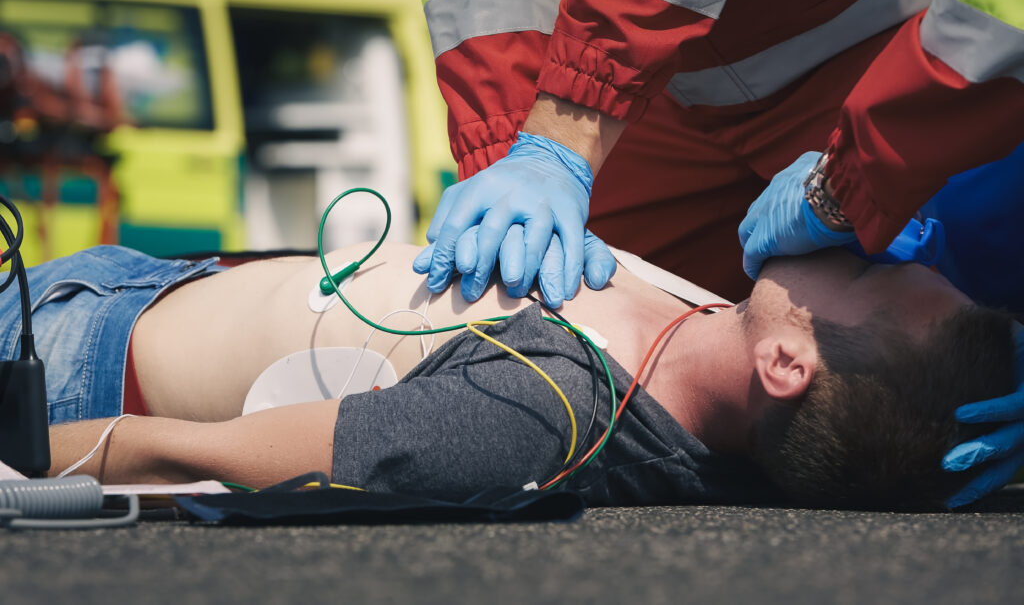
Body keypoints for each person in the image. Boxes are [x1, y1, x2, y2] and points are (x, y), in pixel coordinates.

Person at [4, 243, 1014, 510]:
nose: (866, 238)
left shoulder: (542, 411)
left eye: (874, 271)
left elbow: (176, 457)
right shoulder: (719, 318)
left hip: (67, 360)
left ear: (787, 364)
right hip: (116, 285)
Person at [408, 0, 1024, 307]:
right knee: (562, 318)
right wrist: (513, 147)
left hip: (907, 55)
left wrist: (862, 174)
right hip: (669, 84)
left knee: (923, 366)